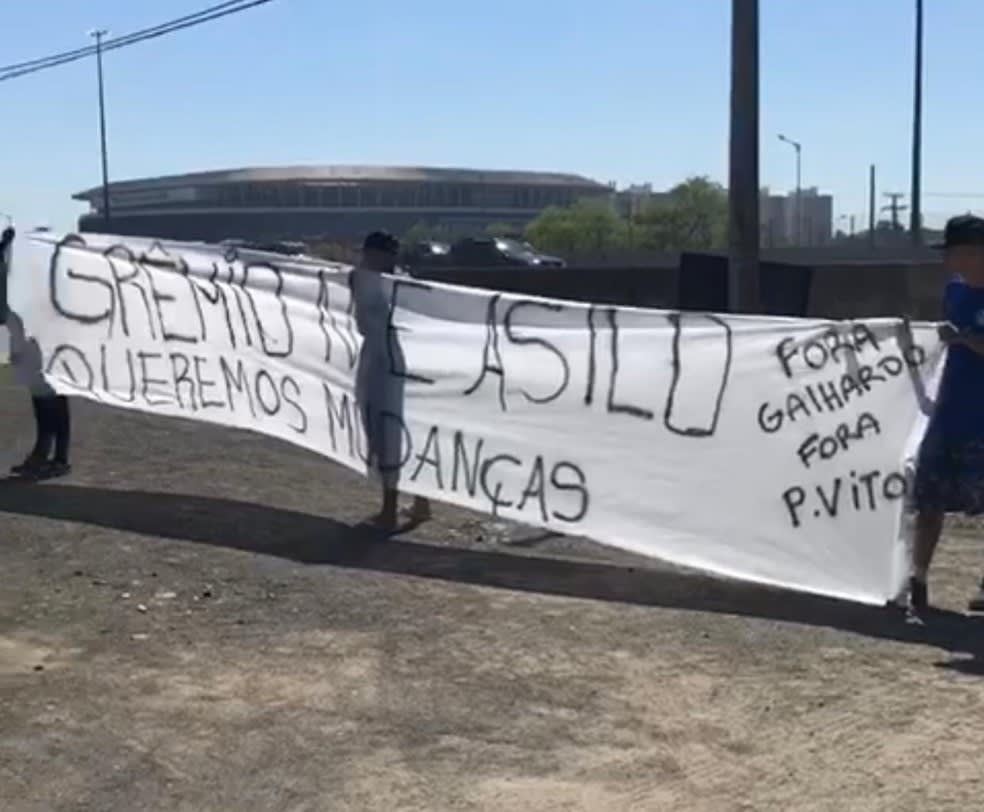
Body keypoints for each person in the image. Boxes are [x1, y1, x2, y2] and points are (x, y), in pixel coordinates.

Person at [909, 213, 984, 615]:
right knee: (929, 502)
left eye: (953, 252)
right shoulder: (954, 293)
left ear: (974, 253)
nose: (948, 261)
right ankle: (918, 580)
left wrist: (967, 340)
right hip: (948, 414)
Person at [352, 230, 431, 531]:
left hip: (390, 366)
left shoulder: (394, 286)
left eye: (370, 254)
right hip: (384, 361)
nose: (365, 259)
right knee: (399, 432)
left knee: (390, 435)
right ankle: (421, 502)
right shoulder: (389, 283)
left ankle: (390, 510)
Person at [0, 226, 72, 480]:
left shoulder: (46, 276)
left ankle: (59, 457)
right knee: (42, 401)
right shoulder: (19, 276)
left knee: (53, 400)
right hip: (30, 341)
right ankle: (43, 454)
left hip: (47, 342)